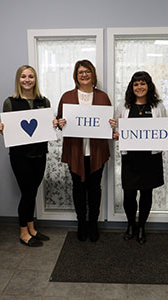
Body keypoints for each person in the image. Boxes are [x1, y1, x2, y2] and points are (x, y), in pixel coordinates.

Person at [54, 60, 114, 242]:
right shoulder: (67, 97)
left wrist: (112, 124)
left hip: (96, 151)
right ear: (76, 75)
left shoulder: (103, 97)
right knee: (78, 189)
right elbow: (58, 121)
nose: (84, 75)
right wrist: (60, 123)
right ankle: (81, 223)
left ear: (93, 74)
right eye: (80, 72)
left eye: (87, 71)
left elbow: (109, 123)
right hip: (76, 152)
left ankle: (93, 223)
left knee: (95, 189)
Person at [114, 71, 168, 244]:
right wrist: (115, 133)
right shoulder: (123, 106)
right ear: (132, 87)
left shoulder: (158, 106)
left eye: (143, 83)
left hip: (150, 158)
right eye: (136, 84)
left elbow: (164, 128)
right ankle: (131, 224)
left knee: (146, 193)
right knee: (129, 195)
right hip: (130, 158)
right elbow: (115, 127)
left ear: (149, 86)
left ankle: (142, 227)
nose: (139, 87)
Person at [1, 65, 51, 247]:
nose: (27, 80)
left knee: (33, 192)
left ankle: (32, 228)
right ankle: (23, 232)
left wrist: (52, 123)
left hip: (40, 154)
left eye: (31, 76)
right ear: (18, 79)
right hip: (20, 156)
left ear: (35, 79)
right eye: (23, 76)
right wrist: (2, 128)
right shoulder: (10, 102)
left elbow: (46, 126)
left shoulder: (44, 101)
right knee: (27, 193)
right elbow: (9, 130)